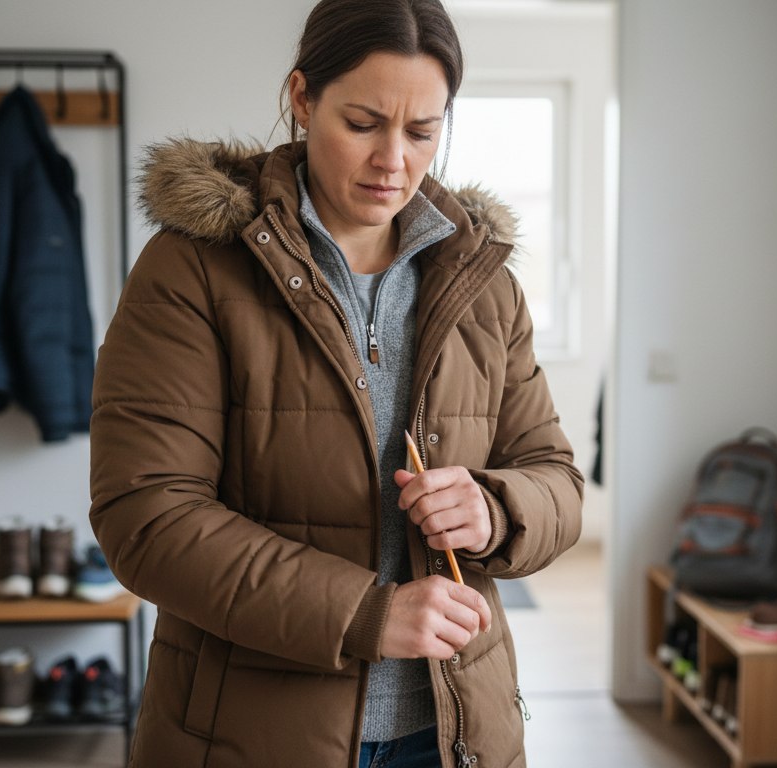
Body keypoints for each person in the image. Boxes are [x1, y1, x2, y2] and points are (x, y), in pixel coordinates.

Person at [89, 1, 584, 765]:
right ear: (302, 97)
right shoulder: (193, 268)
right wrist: (365, 615)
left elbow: (557, 481)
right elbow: (147, 515)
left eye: (422, 131)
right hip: (251, 735)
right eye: (363, 123)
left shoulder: (483, 281)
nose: (394, 160)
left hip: (454, 735)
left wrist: (493, 509)